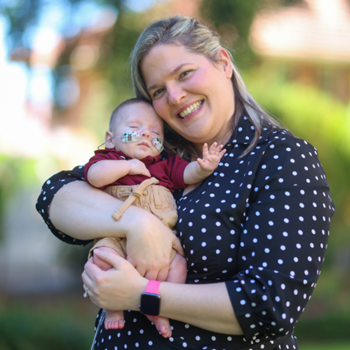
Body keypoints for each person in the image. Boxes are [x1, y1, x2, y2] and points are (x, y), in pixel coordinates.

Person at [36, 15, 335, 350]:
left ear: (223, 63)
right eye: (159, 90)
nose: (176, 96)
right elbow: (55, 195)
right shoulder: (158, 160)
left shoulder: (281, 158)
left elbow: (268, 305)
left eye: (185, 74)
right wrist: (139, 223)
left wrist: (140, 295)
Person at [84, 97, 226, 336]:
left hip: (162, 240)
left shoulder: (164, 165)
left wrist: (203, 168)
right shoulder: (107, 159)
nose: (145, 135)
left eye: (154, 132)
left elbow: (187, 174)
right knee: (100, 258)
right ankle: (113, 309)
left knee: (179, 265)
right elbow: (95, 177)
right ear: (110, 138)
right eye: (134, 128)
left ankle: (160, 307)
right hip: (117, 237)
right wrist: (128, 167)